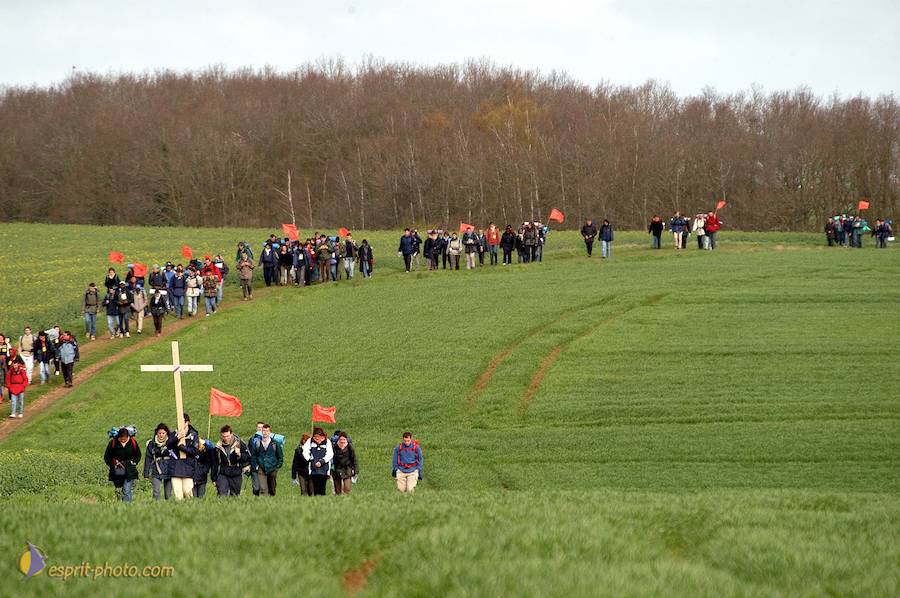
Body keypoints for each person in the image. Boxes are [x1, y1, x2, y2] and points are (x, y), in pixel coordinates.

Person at [166, 414, 199, 500]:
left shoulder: (193, 435)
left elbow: (194, 451)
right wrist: (177, 438)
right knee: (178, 494)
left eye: (182, 421)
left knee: (188, 492)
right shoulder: (174, 433)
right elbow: (168, 445)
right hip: (175, 467)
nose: (179, 423)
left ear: (187, 422)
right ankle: (179, 511)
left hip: (188, 467)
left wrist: (182, 447)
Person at [104, 427, 141, 502]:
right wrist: (112, 464)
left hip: (130, 470)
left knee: (127, 489)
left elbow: (138, 455)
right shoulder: (113, 443)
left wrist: (133, 462)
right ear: (118, 437)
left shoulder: (133, 442)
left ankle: (127, 509)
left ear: (128, 436)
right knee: (119, 490)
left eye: (125, 439)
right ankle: (121, 506)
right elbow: (107, 456)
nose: (123, 440)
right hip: (117, 470)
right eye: (121, 439)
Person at [212, 425, 250, 497]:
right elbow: (215, 463)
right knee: (222, 494)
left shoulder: (240, 443)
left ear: (231, 434)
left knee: (235, 495)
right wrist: (213, 478)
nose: (226, 438)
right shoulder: (218, 447)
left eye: (227, 436)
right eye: (224, 436)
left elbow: (248, 457)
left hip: (236, 472)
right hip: (223, 472)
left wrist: (239, 454)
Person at [143, 423, 173, 501]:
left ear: (166, 433)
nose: (161, 435)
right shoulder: (151, 444)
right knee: (156, 492)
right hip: (156, 470)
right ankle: (155, 508)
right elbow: (148, 459)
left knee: (168, 494)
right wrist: (146, 473)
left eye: (163, 433)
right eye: (159, 433)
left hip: (169, 470)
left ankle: (170, 510)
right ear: (156, 433)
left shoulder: (171, 442)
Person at [252, 423, 283, 496]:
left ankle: (272, 499)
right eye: (263, 430)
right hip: (261, 468)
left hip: (272, 468)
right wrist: (256, 465)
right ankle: (264, 504)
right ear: (261, 432)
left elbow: (280, 457)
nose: (265, 432)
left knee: (272, 488)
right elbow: (254, 456)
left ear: (270, 432)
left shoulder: (275, 444)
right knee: (263, 488)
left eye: (267, 431)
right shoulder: (257, 443)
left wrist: (277, 467)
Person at [302, 427, 334, 496]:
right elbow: (305, 451)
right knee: (315, 485)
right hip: (313, 468)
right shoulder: (310, 441)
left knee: (322, 486)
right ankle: (317, 499)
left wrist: (322, 461)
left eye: (319, 437)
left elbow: (330, 454)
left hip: (324, 468)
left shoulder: (327, 441)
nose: (317, 439)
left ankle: (322, 499)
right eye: (315, 437)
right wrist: (310, 459)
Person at [247, 421, 265, 495]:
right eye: (259, 427)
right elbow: (248, 452)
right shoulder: (252, 439)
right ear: (256, 428)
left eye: (262, 428)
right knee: (256, 487)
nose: (260, 429)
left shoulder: (269, 439)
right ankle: (256, 499)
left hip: (265, 467)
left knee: (264, 487)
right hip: (254, 466)